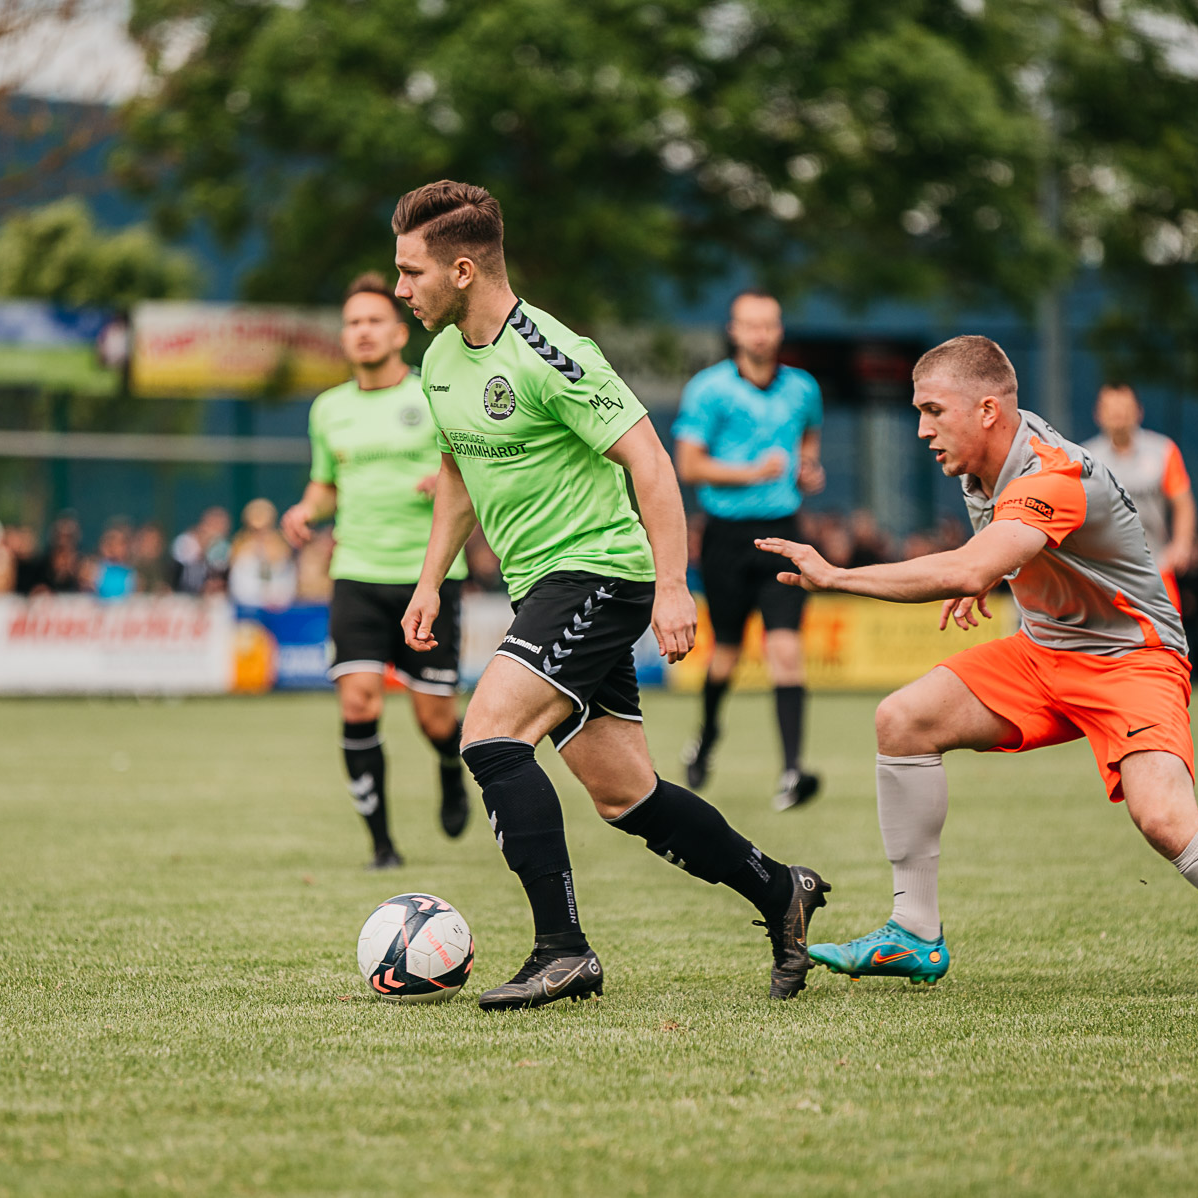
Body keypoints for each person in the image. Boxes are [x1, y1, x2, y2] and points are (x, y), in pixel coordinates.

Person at [758, 335, 1198, 1004]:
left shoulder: (1053, 474)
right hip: (1044, 653)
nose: (922, 430)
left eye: (932, 411)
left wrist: (841, 575)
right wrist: (987, 571)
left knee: (1164, 820)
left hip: (1132, 660)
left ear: (987, 410)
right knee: (903, 719)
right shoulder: (979, 463)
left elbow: (974, 562)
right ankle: (914, 932)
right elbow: (1000, 552)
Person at [393, 179, 828, 1010]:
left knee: (490, 736)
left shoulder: (555, 353)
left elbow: (652, 462)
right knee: (625, 794)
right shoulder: (441, 360)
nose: (400, 288)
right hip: (540, 589)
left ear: (461, 270)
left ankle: (563, 951)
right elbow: (455, 474)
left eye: (411, 272)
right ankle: (782, 891)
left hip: (599, 572)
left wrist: (673, 587)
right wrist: (429, 580)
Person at [282, 272, 473, 869]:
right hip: (356, 575)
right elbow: (325, 484)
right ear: (344, 336)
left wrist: (444, 479)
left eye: (374, 321)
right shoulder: (328, 410)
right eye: (353, 323)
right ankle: (383, 848)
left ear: (398, 333)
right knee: (359, 704)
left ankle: (449, 764)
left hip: (429, 580)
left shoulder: (433, 395)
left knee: (434, 718)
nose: (362, 331)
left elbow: (471, 469)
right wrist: (306, 509)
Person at [671, 290, 825, 809]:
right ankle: (707, 735)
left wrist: (808, 468)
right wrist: (751, 472)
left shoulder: (803, 388)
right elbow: (689, 465)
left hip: (784, 530)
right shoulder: (708, 389)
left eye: (769, 324)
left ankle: (793, 771)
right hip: (726, 535)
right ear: (733, 331)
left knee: (786, 649)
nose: (760, 334)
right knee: (727, 653)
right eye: (750, 325)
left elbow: (809, 440)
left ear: (780, 331)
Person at [1082, 384, 1197, 609]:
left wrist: (1182, 545)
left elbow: (1183, 502)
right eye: (1110, 408)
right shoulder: (1085, 457)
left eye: (1124, 407)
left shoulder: (1163, 451)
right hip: (1104, 574)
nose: (1118, 413)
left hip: (1155, 569)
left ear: (1139, 411)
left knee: (1164, 631)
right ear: (1098, 414)